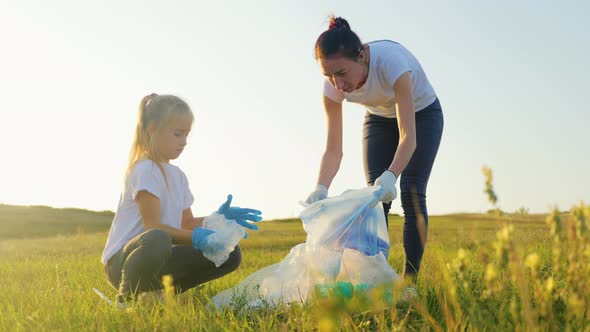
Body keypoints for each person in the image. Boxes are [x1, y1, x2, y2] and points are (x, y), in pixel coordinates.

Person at [305, 16, 444, 282]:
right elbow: (334, 149)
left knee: (412, 191)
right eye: (328, 76)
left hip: (422, 114)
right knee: (376, 199)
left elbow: (408, 137)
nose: (338, 85)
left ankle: (409, 282)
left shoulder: (392, 63)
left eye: (342, 73)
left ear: (362, 56)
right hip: (379, 120)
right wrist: (320, 188)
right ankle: (375, 279)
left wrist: (392, 174)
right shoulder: (333, 89)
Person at [101, 93, 262, 306]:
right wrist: (196, 237)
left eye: (186, 135)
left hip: (160, 254)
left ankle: (157, 294)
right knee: (157, 238)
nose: (184, 142)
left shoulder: (179, 176)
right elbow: (154, 228)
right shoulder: (144, 170)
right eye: (178, 134)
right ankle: (125, 301)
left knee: (229, 253)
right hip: (123, 264)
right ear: (152, 128)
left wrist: (218, 219)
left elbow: (186, 223)